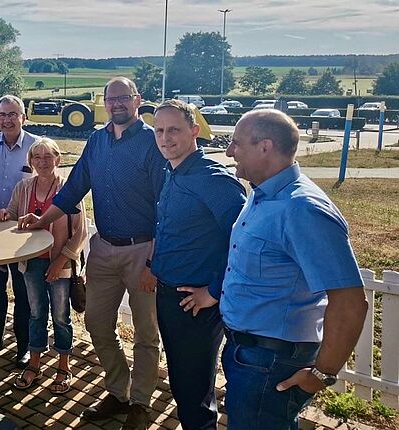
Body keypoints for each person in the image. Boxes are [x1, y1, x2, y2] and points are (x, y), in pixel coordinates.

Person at [19, 77, 164, 429]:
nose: (117, 104)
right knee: (98, 324)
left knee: (146, 333)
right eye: (111, 99)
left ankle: (140, 403)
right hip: (103, 249)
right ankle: (119, 392)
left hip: (143, 249)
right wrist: (43, 220)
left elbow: (167, 208)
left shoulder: (152, 142)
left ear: (137, 100)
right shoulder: (97, 141)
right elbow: (72, 192)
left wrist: (154, 262)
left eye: (124, 98)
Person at [220, 109, 368, 429]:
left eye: (236, 143)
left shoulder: (301, 208)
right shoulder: (262, 194)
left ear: (265, 147)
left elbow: (349, 301)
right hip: (248, 354)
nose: (230, 151)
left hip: (270, 362)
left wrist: (321, 374)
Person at [145, 100, 246, 429]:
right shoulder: (171, 171)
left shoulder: (212, 179)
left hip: (195, 304)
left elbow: (245, 240)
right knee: (182, 383)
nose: (165, 138)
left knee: (194, 394)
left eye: (173, 129)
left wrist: (214, 291)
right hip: (169, 295)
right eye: (159, 130)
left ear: (194, 131)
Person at [0, 137, 87, 395]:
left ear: (58, 159)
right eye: (37, 157)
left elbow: (80, 233)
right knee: (36, 315)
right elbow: (13, 213)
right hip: (32, 263)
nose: (43, 162)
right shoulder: (24, 187)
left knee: (61, 317)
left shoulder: (68, 189)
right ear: (31, 161)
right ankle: (34, 364)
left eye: (48, 157)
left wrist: (60, 261)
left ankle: (63, 365)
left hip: (59, 264)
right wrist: (5, 214)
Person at [0, 94, 40, 368]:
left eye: (13, 114)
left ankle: (24, 344)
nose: (7, 119)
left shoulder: (36, 146)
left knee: (23, 289)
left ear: (23, 117)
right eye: (2, 114)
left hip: (23, 229)